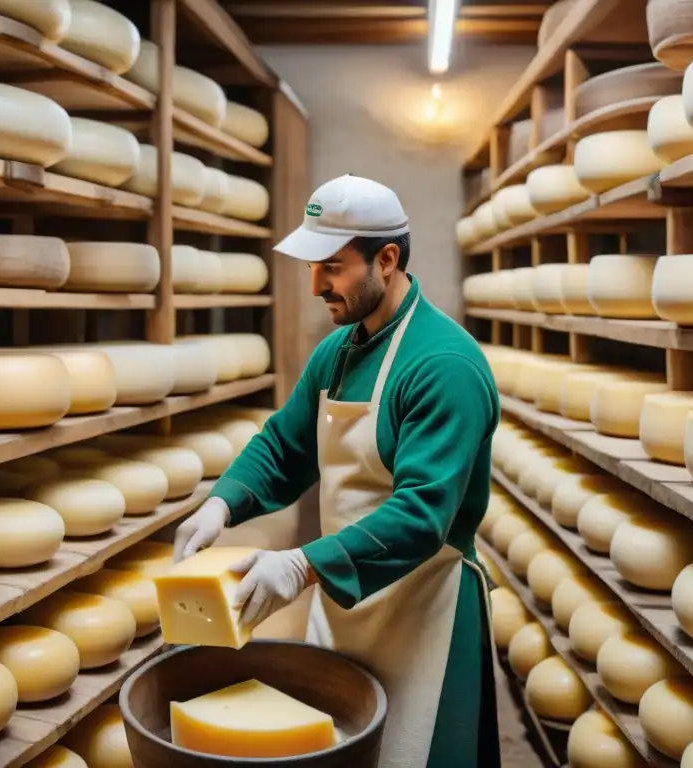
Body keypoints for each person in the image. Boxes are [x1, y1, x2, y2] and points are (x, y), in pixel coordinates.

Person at [173, 174, 502, 768]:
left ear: (389, 258)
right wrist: (221, 503)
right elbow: (284, 444)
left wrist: (302, 565)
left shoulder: (444, 365)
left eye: (333, 265)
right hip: (346, 604)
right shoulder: (341, 350)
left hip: (424, 613)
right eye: (311, 265)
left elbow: (422, 514)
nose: (317, 283)